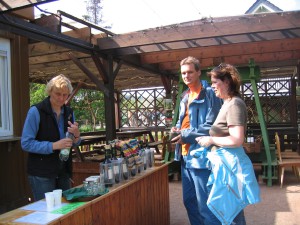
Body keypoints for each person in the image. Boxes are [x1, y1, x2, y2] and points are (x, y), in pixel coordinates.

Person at [196, 63, 261, 225]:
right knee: (230, 212)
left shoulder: (234, 104)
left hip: (230, 169)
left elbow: (236, 139)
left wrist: (210, 140)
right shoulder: (227, 103)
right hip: (226, 166)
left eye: (214, 82)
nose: (212, 86)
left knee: (231, 213)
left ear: (226, 82)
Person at [170, 56, 223, 225]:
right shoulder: (185, 96)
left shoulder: (209, 94)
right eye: (184, 73)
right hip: (186, 157)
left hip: (202, 157)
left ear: (199, 72)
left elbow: (211, 125)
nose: (186, 76)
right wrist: (177, 129)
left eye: (190, 72)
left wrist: (185, 135)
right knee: (189, 201)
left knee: (205, 204)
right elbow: (184, 121)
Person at [21, 74, 81, 201]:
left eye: (65, 95)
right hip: (41, 173)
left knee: (65, 210)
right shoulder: (36, 111)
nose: (61, 98)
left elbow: (74, 143)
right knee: (46, 213)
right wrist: (53, 146)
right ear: (50, 91)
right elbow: (26, 143)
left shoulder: (69, 113)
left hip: (63, 171)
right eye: (58, 94)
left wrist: (77, 136)